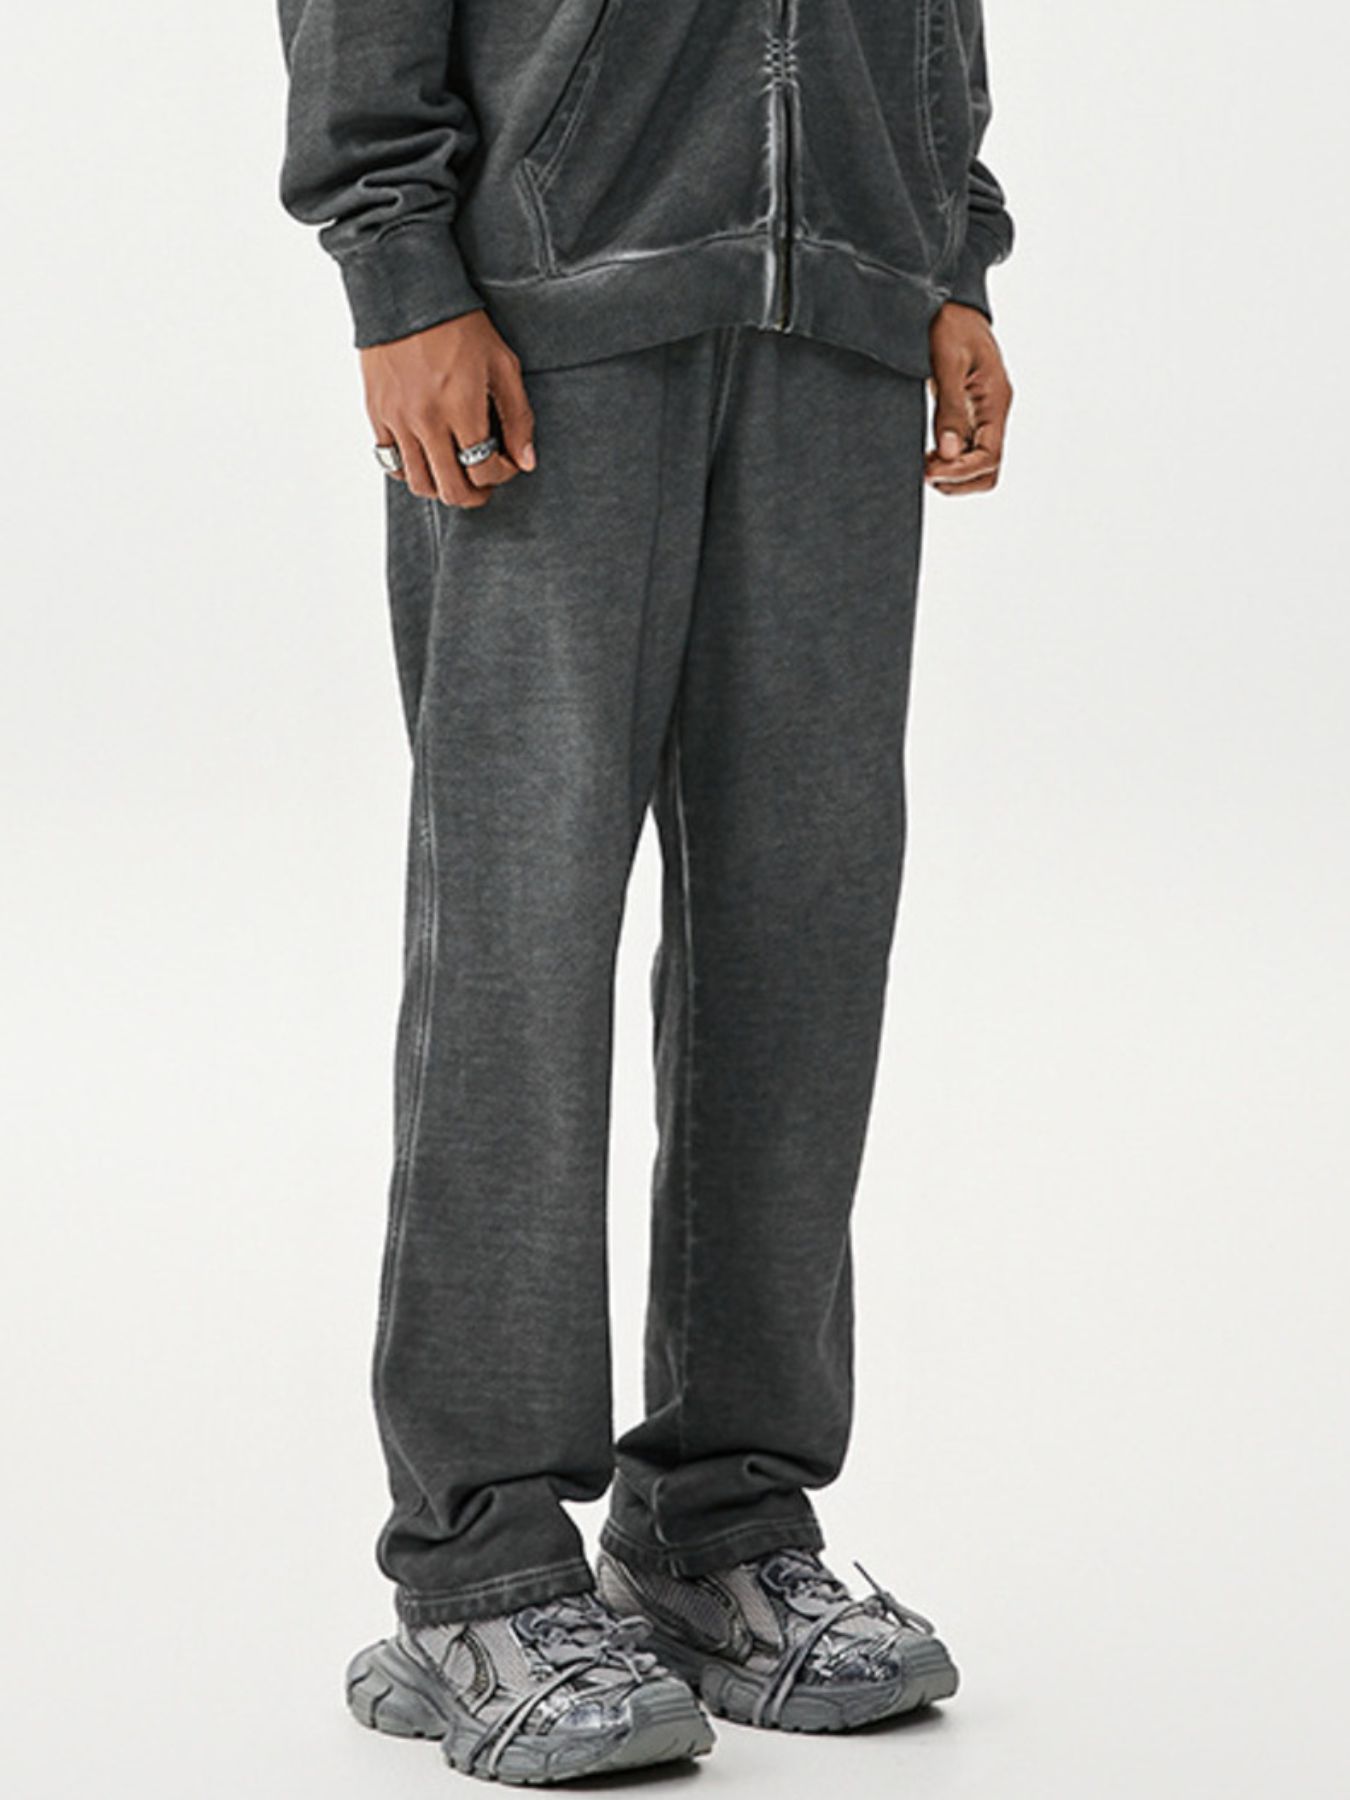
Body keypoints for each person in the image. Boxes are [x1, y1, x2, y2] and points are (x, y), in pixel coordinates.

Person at [275, 0, 1015, 1783]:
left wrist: (946, 252)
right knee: (519, 938)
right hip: (539, 316)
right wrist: (401, 274)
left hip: (843, 312)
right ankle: (477, 1565)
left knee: (802, 935)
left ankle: (722, 1522)